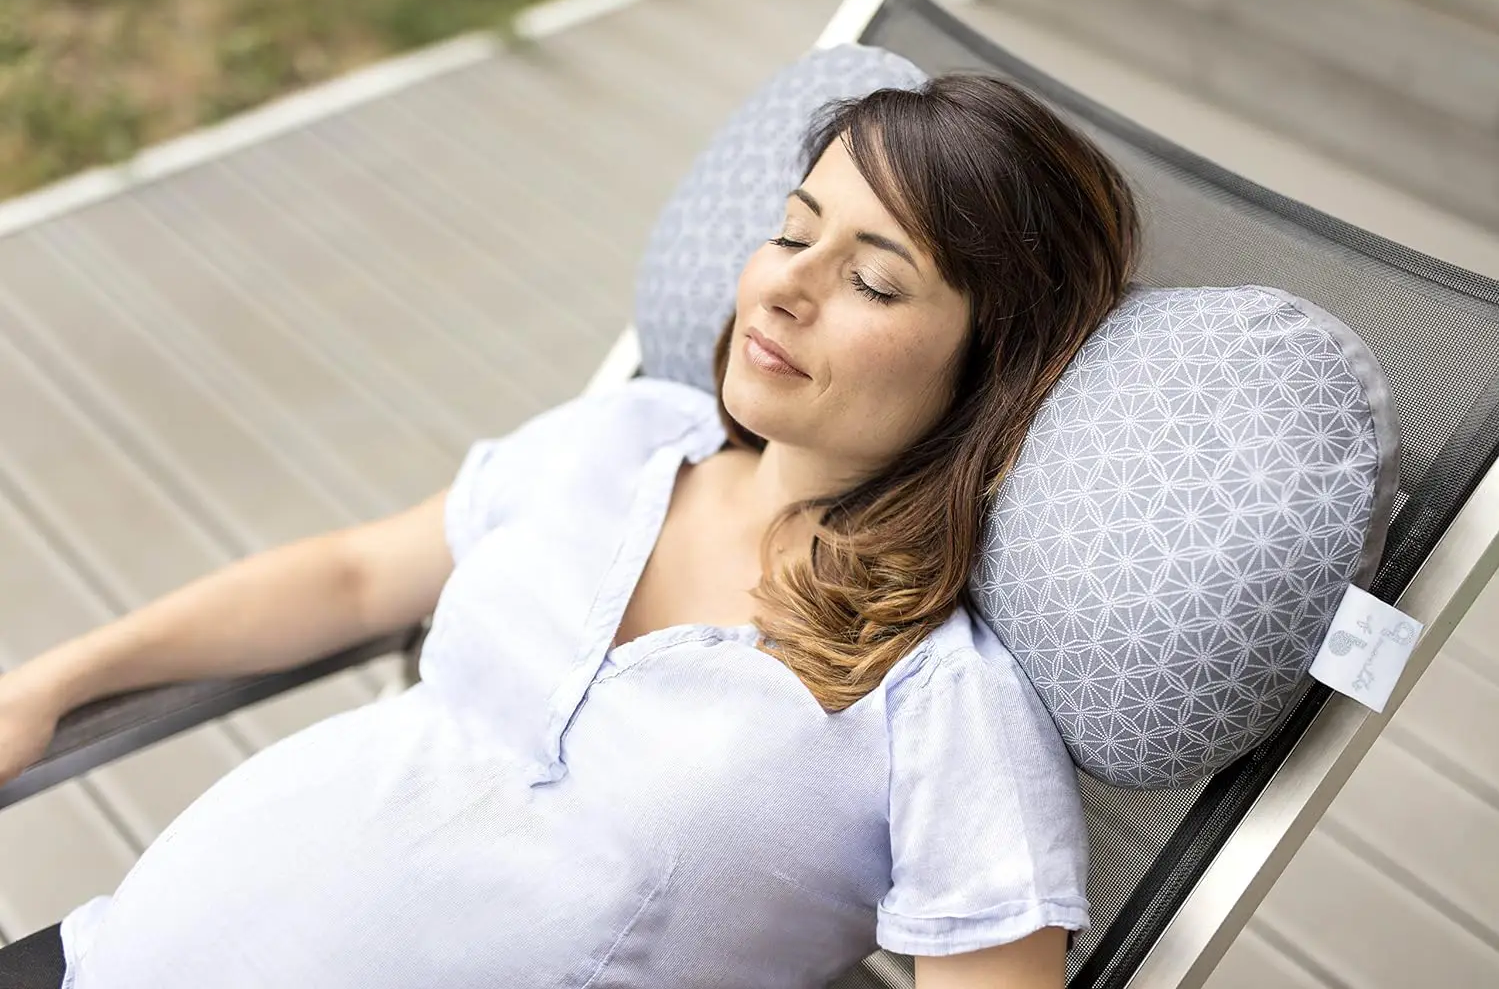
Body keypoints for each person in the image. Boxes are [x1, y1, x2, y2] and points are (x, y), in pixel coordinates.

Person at [0, 72, 1137, 989]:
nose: (785, 291)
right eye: (793, 233)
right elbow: (352, 577)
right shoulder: (624, 440)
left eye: (873, 284)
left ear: (990, 367)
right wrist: (48, 685)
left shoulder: (942, 709)